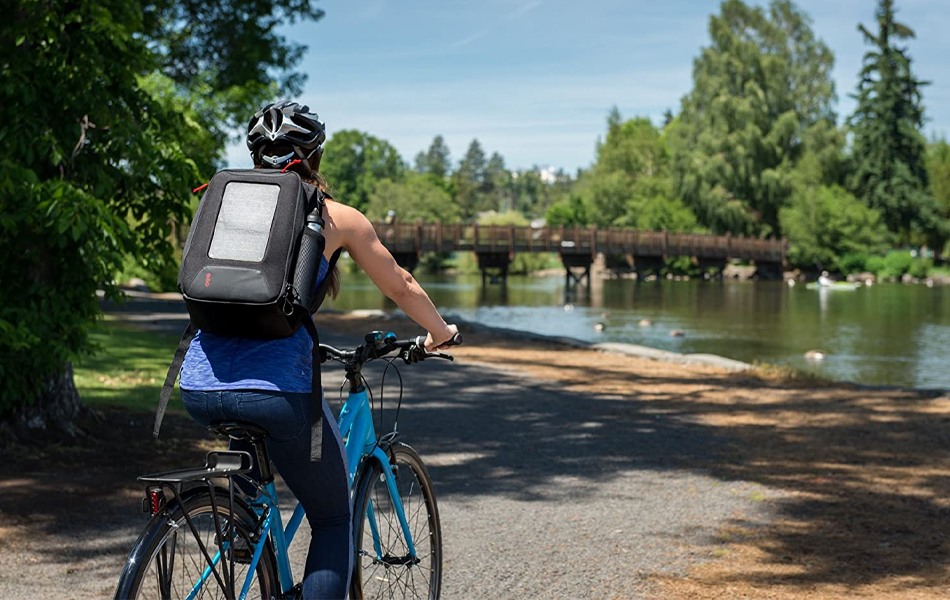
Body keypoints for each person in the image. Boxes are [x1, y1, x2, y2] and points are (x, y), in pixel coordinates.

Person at [178, 101, 458, 599]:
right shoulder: (335, 217)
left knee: (256, 480)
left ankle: (245, 529)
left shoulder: (223, 205)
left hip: (198, 384)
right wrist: (441, 332)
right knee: (332, 518)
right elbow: (401, 284)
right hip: (278, 394)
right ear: (315, 156)